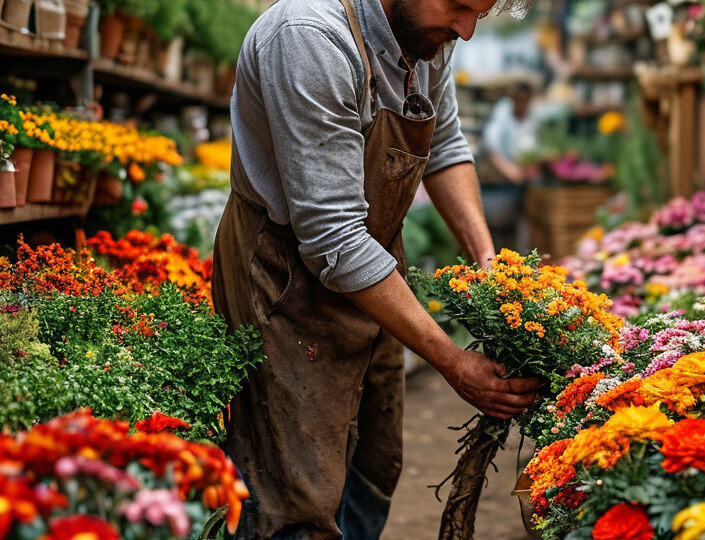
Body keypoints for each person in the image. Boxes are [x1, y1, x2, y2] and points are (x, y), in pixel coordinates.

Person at [211, 0, 542, 539]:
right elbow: (334, 235)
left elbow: (444, 147)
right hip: (285, 285)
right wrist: (453, 362)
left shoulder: (424, 40)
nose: (467, 30)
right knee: (297, 496)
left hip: (373, 273)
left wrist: (489, 260)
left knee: (374, 465)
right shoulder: (310, 38)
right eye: (459, 8)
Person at [483, 82, 537, 184]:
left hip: (526, 176)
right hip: (501, 177)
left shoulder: (532, 116)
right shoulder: (501, 114)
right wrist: (509, 169)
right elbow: (491, 149)